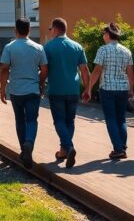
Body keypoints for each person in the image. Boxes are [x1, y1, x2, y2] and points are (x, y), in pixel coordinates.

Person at [0, 17, 48, 169]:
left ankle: (24, 149)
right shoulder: (38, 48)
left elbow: (4, 68)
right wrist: (40, 83)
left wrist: (2, 89)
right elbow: (45, 69)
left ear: (15, 30)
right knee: (32, 120)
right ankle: (29, 143)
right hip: (33, 89)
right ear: (29, 30)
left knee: (20, 121)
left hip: (16, 90)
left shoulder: (9, 47)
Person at [83, 22, 134, 160]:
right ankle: (122, 147)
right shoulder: (126, 51)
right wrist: (131, 90)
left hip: (107, 88)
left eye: (103, 34)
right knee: (121, 119)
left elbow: (97, 71)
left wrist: (88, 88)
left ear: (107, 35)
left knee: (111, 119)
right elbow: (130, 73)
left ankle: (118, 149)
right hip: (123, 89)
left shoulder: (103, 50)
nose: (103, 37)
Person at [44, 17, 90, 169]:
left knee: (59, 121)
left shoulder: (49, 47)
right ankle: (64, 150)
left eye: (51, 29)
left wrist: (39, 85)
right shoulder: (77, 46)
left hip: (56, 89)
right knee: (70, 121)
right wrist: (87, 89)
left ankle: (69, 147)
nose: (50, 32)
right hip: (73, 90)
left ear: (56, 29)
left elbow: (44, 70)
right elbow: (84, 70)